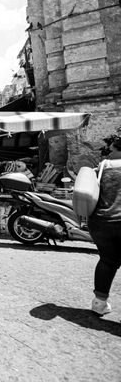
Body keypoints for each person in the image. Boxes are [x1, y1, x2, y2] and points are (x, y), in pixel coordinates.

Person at [89, 132, 121, 317]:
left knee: (107, 261)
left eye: (112, 149)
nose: (108, 153)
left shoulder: (103, 166)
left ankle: (99, 303)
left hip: (101, 222)